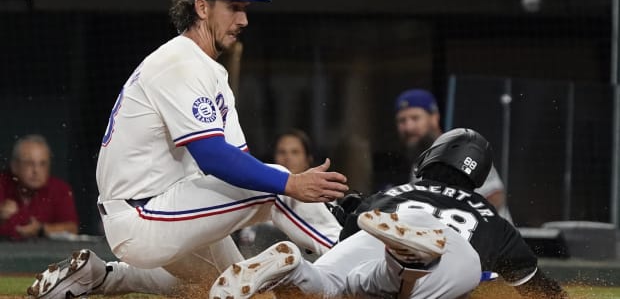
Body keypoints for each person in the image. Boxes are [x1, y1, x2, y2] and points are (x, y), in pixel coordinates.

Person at [27, 0, 347, 298]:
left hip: (168, 214)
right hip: (143, 214)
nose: (244, 19)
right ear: (202, 7)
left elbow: (238, 164)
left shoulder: (210, 73)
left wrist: (297, 197)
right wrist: (292, 184)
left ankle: (101, 276)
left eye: (245, 9)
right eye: (234, 7)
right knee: (281, 183)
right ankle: (352, 266)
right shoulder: (179, 63)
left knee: (229, 289)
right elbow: (213, 157)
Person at [210, 128, 568, 299]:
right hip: (453, 248)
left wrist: (355, 214)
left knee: (334, 287)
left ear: (432, 157)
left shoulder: (394, 193)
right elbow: (538, 289)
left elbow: (348, 238)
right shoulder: (492, 219)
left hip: (381, 231)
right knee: (406, 288)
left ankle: (294, 268)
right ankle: (409, 261)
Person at [377, 88, 512, 222]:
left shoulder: (461, 148)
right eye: (402, 121)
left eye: (415, 118)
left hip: (491, 240)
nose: (408, 127)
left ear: (434, 117)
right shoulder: (419, 162)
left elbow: (495, 196)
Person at [237, 128, 315, 247]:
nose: (288, 158)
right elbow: (247, 241)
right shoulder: (259, 193)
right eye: (282, 152)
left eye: (295, 152)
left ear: (307, 160)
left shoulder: (321, 195)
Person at [0, 134, 78, 241]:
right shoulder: (2, 184)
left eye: (42, 164)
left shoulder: (60, 189)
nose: (36, 170)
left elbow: (72, 229)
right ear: (14, 165)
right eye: (29, 163)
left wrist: (41, 229)